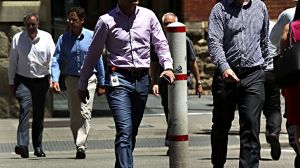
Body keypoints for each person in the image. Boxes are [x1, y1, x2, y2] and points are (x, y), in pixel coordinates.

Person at [77, 0, 175, 167]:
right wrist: (82, 82)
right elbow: (93, 53)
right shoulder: (106, 21)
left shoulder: (148, 16)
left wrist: (167, 66)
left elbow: (161, 44)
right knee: (124, 130)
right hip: (118, 79)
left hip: (143, 80)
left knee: (131, 131)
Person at [208, 0, 269, 167]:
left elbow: (264, 40)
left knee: (251, 126)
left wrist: (264, 69)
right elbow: (214, 42)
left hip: (253, 75)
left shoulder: (260, 7)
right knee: (221, 125)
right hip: (226, 76)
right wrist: (224, 67)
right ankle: (218, 163)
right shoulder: (220, 9)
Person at [51, 7, 105, 159]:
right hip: (72, 79)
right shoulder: (64, 38)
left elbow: (98, 59)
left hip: (89, 79)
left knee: (85, 111)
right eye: (69, 19)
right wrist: (55, 79)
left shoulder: (91, 36)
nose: (70, 22)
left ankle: (81, 146)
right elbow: (56, 60)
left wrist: (102, 82)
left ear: (82, 20)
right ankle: (78, 142)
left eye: (74, 20)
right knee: (75, 114)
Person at [150, 12, 203, 155]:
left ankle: (173, 139)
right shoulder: (158, 41)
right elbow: (154, 64)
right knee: (168, 109)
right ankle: (172, 136)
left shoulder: (184, 40)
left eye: (171, 23)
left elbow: (192, 62)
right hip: (164, 81)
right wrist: (154, 82)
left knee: (178, 109)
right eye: (166, 24)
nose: (168, 26)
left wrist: (198, 82)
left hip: (180, 82)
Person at [8, 13, 55, 158]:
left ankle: (38, 146)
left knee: (39, 114)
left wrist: (53, 80)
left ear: (38, 24)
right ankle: (22, 145)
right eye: (28, 25)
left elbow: (53, 61)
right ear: (25, 25)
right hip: (23, 81)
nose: (30, 28)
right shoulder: (18, 38)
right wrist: (11, 82)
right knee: (24, 109)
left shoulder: (46, 37)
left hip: (41, 81)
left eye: (33, 25)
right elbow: (12, 62)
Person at [269, 0, 299, 156]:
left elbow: (274, 42)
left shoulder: (289, 21)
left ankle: (297, 148)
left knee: (295, 119)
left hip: (294, 79)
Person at [280, 1, 300, 166]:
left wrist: (282, 86)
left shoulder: (289, 27)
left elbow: (282, 56)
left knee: (298, 124)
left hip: (295, 83)